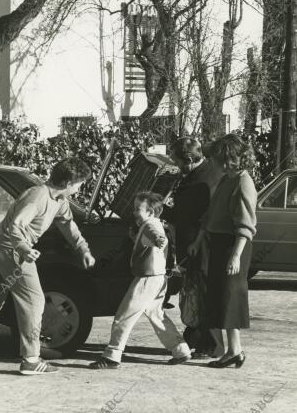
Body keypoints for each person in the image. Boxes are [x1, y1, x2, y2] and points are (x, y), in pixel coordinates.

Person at [0, 158, 96, 375]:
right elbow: (16, 226)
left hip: (9, 248)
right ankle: (31, 360)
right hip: (11, 249)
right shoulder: (38, 197)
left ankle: (32, 352)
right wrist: (24, 248)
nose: (80, 188)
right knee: (34, 300)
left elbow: (68, 224)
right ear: (69, 182)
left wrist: (83, 250)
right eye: (79, 184)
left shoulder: (59, 200)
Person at [89, 191, 192, 369]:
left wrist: (159, 240)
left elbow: (155, 236)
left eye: (138, 209)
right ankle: (180, 349)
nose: (135, 211)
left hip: (147, 278)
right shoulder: (153, 223)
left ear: (151, 212)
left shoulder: (150, 225)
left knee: (124, 316)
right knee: (156, 315)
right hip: (158, 278)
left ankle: (112, 355)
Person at [188, 133, 257, 368]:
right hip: (218, 244)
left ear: (227, 158)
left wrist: (236, 255)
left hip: (233, 246)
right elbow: (211, 214)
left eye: (216, 156)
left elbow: (246, 225)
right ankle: (233, 350)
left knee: (230, 297)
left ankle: (234, 350)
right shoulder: (228, 179)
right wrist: (199, 240)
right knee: (221, 298)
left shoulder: (242, 182)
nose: (212, 161)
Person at [162, 137, 223, 357]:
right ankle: (196, 336)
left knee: (202, 293)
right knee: (195, 292)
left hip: (202, 245)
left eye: (177, 161)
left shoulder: (205, 179)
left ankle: (209, 344)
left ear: (188, 158)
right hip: (193, 243)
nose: (176, 166)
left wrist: (165, 211)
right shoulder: (196, 174)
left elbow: (192, 215)